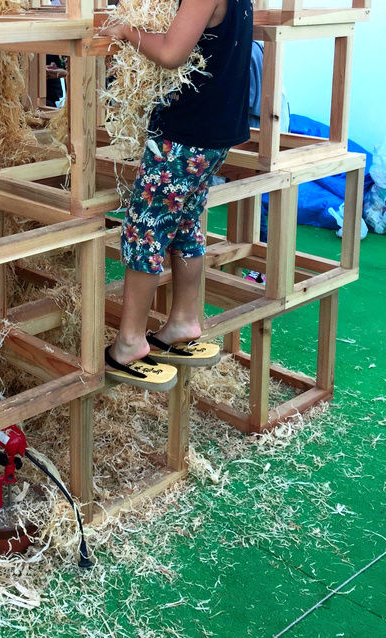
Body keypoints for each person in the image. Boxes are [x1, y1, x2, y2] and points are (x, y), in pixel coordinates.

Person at [101, 0, 253, 391]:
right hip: (214, 134)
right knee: (185, 225)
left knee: (145, 229)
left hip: (185, 134)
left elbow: (171, 53)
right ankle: (184, 320)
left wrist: (126, 31)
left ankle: (130, 341)